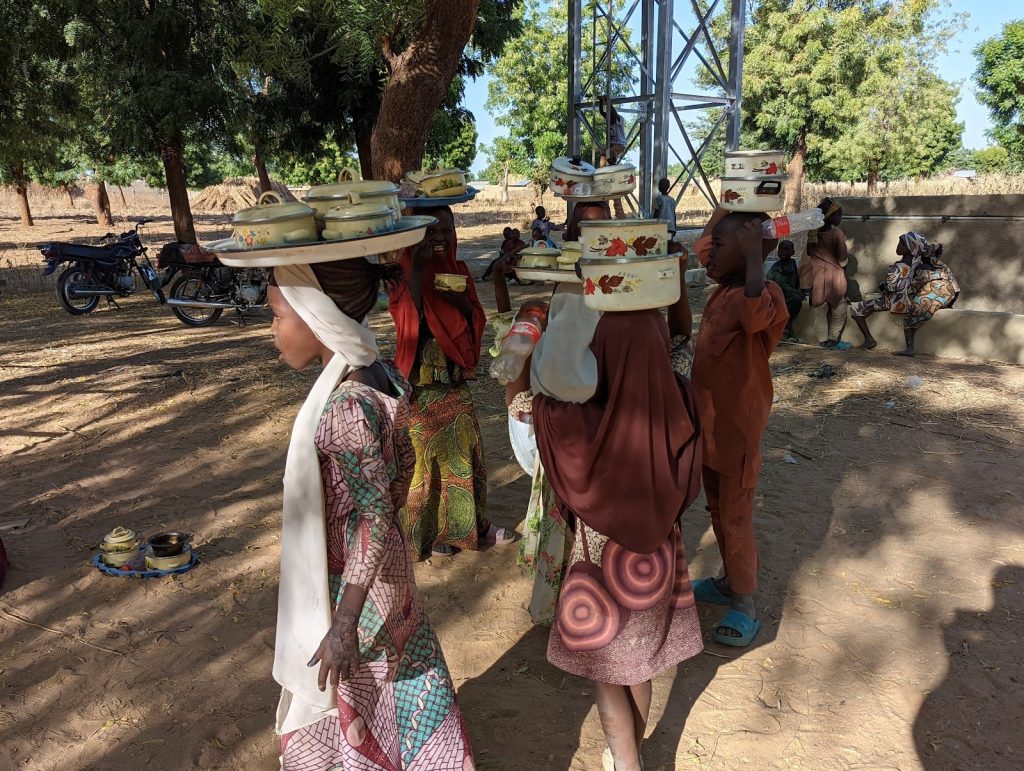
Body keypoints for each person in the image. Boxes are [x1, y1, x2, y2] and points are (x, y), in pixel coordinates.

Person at [267, 259, 473, 769]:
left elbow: (373, 517)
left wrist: (343, 621)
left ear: (316, 317)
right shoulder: (381, 372)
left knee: (365, 694)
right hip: (391, 576)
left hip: (357, 588)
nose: (271, 331)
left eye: (276, 316)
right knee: (403, 683)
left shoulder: (344, 408)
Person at [530, 265, 702, 771]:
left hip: (601, 558)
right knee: (639, 663)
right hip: (656, 555)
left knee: (607, 665)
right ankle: (632, 754)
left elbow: (538, 403)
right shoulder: (679, 398)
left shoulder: (580, 424)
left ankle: (628, 765)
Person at [388, 206, 514, 558]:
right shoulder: (404, 271)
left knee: (463, 450)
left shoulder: (458, 270)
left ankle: (465, 528)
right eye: (431, 231)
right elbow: (404, 313)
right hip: (421, 380)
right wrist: (419, 266)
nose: (440, 238)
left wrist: (461, 302)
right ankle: (427, 535)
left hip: (453, 375)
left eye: (446, 229)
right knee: (423, 459)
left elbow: (475, 316)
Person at [691, 207, 788, 647]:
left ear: (751, 253)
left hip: (737, 432)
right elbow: (701, 250)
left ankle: (745, 603)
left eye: (721, 246)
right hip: (709, 428)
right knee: (716, 510)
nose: (709, 252)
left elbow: (753, 319)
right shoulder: (721, 290)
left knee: (736, 517)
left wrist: (754, 258)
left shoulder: (764, 294)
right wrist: (723, 210)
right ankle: (729, 580)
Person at [851, 232, 959, 356]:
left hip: (896, 300)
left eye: (901, 243)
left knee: (856, 308)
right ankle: (909, 348)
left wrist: (884, 286)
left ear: (910, 248)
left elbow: (892, 288)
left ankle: (869, 340)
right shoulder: (921, 263)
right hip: (908, 298)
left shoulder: (899, 266)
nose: (898, 246)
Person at [800, 198, 849, 348]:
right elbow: (843, 258)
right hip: (835, 277)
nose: (840, 218)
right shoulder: (837, 234)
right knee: (839, 307)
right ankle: (833, 339)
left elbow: (809, 252)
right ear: (830, 216)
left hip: (818, 277)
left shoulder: (812, 234)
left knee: (818, 310)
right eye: (839, 215)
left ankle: (822, 340)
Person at [766, 239, 803, 341]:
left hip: (789, 292)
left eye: (786, 249)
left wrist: (798, 289)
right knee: (795, 300)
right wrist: (794, 291)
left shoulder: (792, 262)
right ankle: (788, 327)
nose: (783, 252)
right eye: (781, 249)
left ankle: (788, 325)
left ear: (793, 252)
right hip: (778, 292)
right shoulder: (777, 267)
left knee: (797, 300)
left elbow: (796, 278)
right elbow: (781, 283)